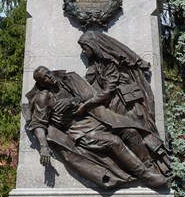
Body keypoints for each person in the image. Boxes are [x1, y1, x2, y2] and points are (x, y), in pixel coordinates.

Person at [23, 66, 168, 189]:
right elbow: (39, 124)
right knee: (114, 141)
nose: (50, 77)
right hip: (77, 130)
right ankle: (145, 175)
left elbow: (88, 95)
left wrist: (72, 101)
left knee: (130, 132)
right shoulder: (43, 98)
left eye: (48, 73)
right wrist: (43, 146)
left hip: (94, 119)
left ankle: (149, 166)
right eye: (45, 77)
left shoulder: (68, 80)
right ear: (42, 83)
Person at [78, 31, 171, 177]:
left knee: (136, 132)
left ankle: (155, 166)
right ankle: (139, 166)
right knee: (126, 134)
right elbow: (87, 81)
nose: (83, 51)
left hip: (124, 103)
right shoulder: (96, 63)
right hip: (112, 102)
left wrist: (88, 103)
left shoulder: (109, 62)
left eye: (85, 47)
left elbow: (109, 88)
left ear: (93, 46)